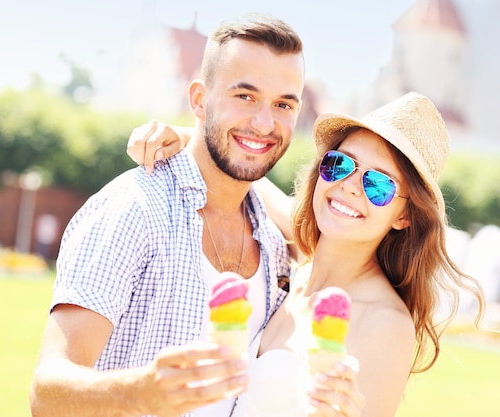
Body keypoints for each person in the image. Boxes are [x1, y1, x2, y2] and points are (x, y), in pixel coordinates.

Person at [30, 13, 359, 417]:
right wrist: (137, 393)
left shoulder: (274, 246)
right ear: (199, 99)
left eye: (283, 104)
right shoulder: (134, 209)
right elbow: (46, 392)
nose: (264, 123)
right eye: (245, 96)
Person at [127, 92, 486, 416]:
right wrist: (182, 137)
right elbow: (248, 179)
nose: (348, 186)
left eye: (379, 184)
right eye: (340, 164)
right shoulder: (298, 257)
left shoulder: (385, 323)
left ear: (405, 215)